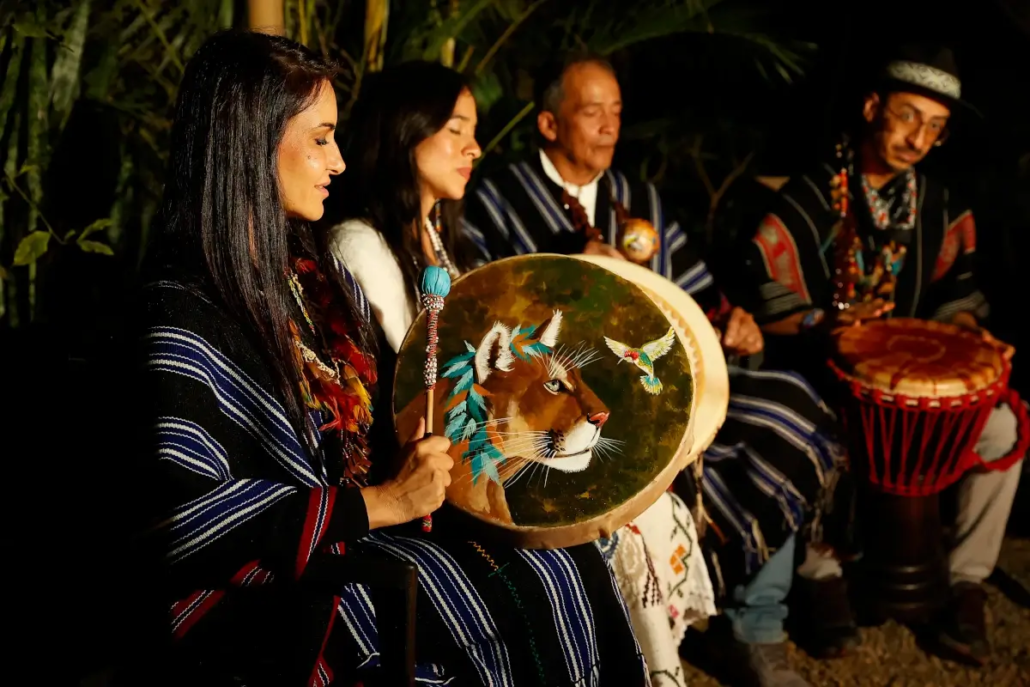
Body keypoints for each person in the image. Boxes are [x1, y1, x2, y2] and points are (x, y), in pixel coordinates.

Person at [135, 32, 646, 686]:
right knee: (521, 585)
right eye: (320, 138)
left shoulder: (319, 281)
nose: (339, 161)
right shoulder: (184, 309)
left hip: (355, 539)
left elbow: (375, 437)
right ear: (252, 142)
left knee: (570, 556)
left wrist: (444, 462)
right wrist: (381, 503)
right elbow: (183, 521)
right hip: (269, 588)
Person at [327, 60, 718, 687]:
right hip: (424, 480)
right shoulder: (359, 246)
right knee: (581, 548)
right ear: (405, 131)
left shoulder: (435, 235)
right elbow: (411, 397)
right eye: (455, 130)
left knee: (636, 507)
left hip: (475, 460)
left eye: (473, 132)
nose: (473, 148)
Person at [463, 54, 847, 687]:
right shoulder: (498, 198)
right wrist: (567, 276)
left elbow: (694, 291)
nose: (610, 126)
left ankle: (748, 612)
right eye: (592, 112)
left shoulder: (636, 197)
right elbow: (486, 319)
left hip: (663, 377)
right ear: (551, 124)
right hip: (573, 403)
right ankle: (736, 621)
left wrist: (734, 322)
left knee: (790, 406)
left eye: (617, 111)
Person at [746, 44, 1024, 666]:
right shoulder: (812, 195)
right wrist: (828, 321)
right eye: (907, 117)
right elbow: (762, 288)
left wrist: (968, 334)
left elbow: (959, 297)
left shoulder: (942, 209)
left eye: (933, 127)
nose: (917, 137)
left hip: (912, 389)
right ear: (873, 108)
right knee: (803, 432)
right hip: (821, 371)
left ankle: (966, 583)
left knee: (1004, 426)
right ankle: (820, 575)